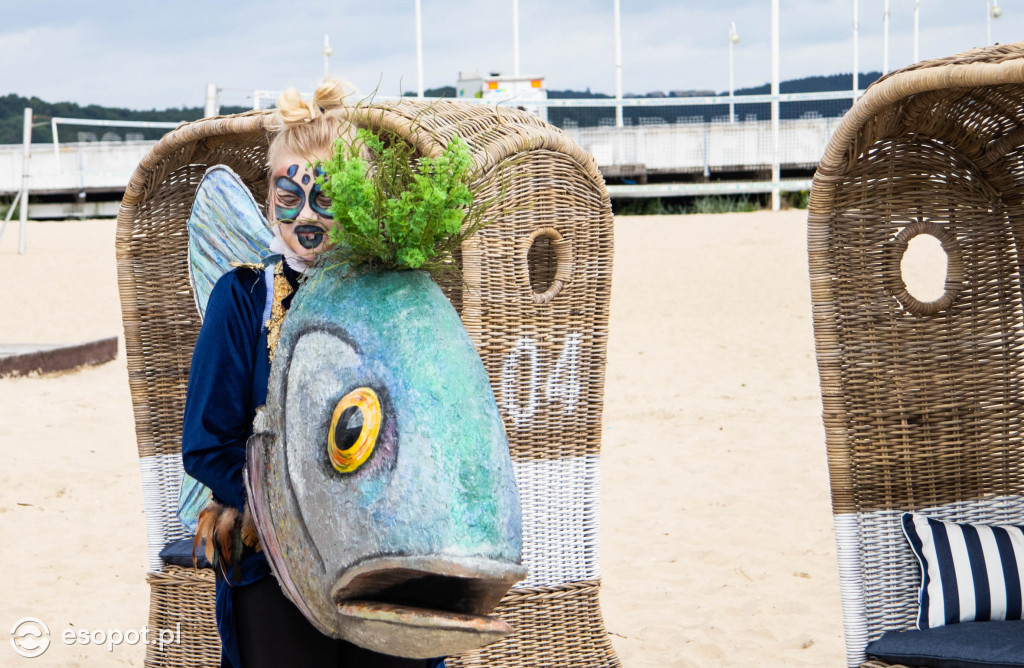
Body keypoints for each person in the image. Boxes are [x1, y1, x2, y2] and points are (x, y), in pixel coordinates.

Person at [181, 79, 445, 668]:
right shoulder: (243, 298)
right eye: (288, 194)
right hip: (275, 567)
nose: (305, 214)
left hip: (382, 562)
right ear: (267, 197)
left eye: (326, 197)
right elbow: (205, 445)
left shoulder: (395, 298)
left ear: (361, 199)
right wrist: (289, 510)